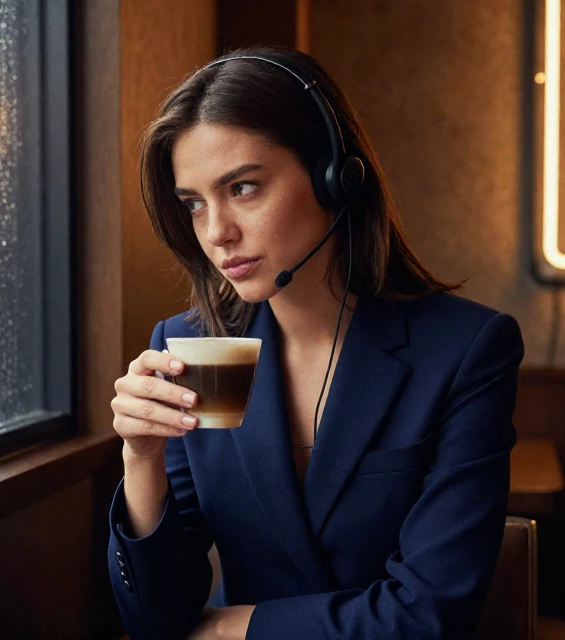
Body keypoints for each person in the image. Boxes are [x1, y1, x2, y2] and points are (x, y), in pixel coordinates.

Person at [107, 47, 524, 639]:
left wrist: (232, 630)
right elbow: (156, 619)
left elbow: (430, 616)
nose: (217, 232)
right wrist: (140, 460)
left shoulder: (465, 350)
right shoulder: (192, 347)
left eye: (244, 188)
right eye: (195, 204)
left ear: (336, 175)